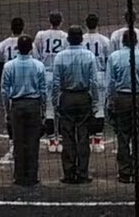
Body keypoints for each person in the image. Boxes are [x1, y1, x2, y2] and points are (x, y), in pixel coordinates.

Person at [106, 29, 139, 184]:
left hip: (121, 98)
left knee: (122, 136)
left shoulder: (114, 57)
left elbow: (110, 84)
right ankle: (138, 172)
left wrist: (110, 102)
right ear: (136, 42)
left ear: (123, 42)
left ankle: (124, 173)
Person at [50, 25, 96, 184]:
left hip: (67, 98)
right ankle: (83, 173)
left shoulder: (60, 57)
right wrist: (95, 103)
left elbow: (56, 83)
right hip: (84, 97)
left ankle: (69, 173)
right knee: (83, 136)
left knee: (67, 137)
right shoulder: (89, 55)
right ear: (81, 39)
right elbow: (94, 82)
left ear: (68, 39)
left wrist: (56, 102)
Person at [1, 35, 47, 186]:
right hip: (33, 105)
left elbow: (4, 92)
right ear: (31, 49)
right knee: (33, 142)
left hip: (17, 106)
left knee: (19, 142)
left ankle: (19, 177)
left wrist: (7, 111)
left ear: (18, 49)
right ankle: (32, 176)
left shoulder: (9, 66)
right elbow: (43, 91)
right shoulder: (39, 65)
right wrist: (43, 111)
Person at [34, 11, 68, 152]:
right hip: (60, 76)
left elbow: (35, 53)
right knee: (59, 108)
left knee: (48, 109)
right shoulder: (65, 36)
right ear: (61, 22)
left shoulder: (41, 35)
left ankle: (51, 141)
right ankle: (59, 140)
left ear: (49, 21)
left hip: (46, 74)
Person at [0, 17, 25, 164]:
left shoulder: (4, 44)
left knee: (9, 116)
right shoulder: (29, 43)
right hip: (24, 84)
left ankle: (13, 145)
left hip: (9, 84)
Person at [82, 13, 113, 154]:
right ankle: (97, 141)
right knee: (99, 108)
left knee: (87, 108)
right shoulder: (105, 40)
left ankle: (87, 139)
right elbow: (109, 61)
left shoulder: (80, 39)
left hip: (85, 76)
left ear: (86, 24)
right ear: (97, 24)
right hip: (100, 75)